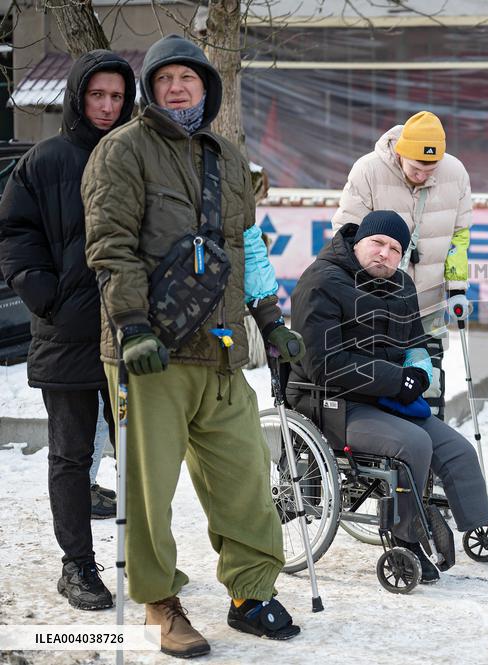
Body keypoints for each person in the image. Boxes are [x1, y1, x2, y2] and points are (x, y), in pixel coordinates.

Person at [82, 34, 304, 657]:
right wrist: (132, 326)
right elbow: (110, 245)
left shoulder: (227, 158)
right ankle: (159, 602)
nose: (177, 87)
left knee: (245, 478)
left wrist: (271, 317)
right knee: (149, 491)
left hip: (222, 348)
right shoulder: (122, 150)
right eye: (165, 78)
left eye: (188, 77)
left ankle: (250, 591)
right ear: (150, 89)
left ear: (208, 87)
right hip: (150, 352)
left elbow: (246, 245)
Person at [289, 210, 488, 583]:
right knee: (413, 443)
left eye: (395, 249)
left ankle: (476, 524)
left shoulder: (401, 285)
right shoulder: (321, 281)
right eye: (377, 243)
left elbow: (416, 341)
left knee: (457, 449)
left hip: (386, 400)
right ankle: (407, 539)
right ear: (358, 242)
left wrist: (420, 369)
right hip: (334, 403)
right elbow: (324, 365)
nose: (385, 254)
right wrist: (397, 380)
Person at [0, 50, 134, 611]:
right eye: (96, 95)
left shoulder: (136, 155)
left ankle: (145, 561)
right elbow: (14, 232)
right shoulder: (46, 160)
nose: (106, 106)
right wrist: (43, 293)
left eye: (116, 96)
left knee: (140, 455)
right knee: (72, 456)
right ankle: (77, 565)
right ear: (77, 97)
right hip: (68, 332)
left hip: (131, 332)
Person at [331, 111, 472, 416]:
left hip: (428, 303)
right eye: (416, 168)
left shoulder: (456, 173)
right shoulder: (368, 171)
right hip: (375, 304)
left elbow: (459, 236)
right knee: (384, 383)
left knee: (429, 384)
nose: (423, 176)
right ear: (400, 153)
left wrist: (457, 287)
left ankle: (433, 440)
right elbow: (346, 234)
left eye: (431, 169)